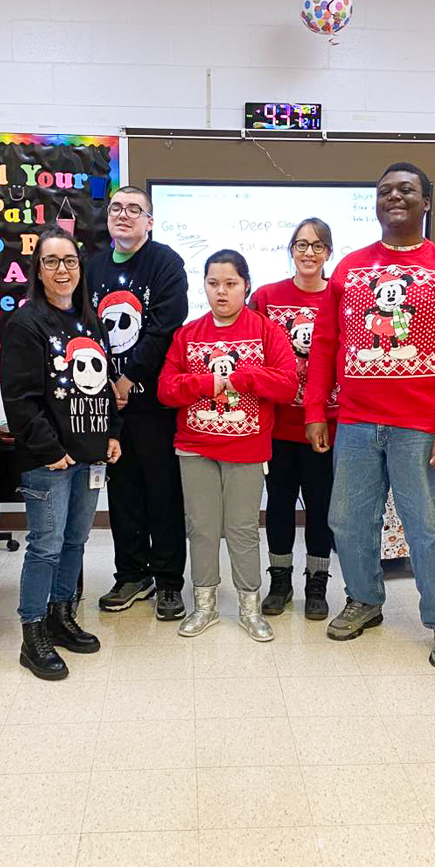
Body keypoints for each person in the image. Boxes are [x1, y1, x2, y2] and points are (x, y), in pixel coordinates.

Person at [304, 162, 435, 668]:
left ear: (426, 202)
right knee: (347, 520)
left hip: (420, 427)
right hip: (356, 423)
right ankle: (364, 600)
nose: (394, 197)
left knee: (425, 527)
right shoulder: (350, 268)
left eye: (406, 190)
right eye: (384, 191)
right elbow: (325, 345)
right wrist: (316, 410)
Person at [158, 250, 298, 640]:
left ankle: (249, 608)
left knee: (242, 529)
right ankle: (204, 606)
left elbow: (287, 385)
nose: (221, 292)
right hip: (194, 447)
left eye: (231, 284)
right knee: (201, 528)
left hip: (247, 449)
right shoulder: (187, 334)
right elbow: (166, 390)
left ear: (246, 285)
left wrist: (247, 378)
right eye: (213, 283)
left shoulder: (266, 330)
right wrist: (205, 383)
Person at [1, 228, 122, 680]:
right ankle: (32, 633)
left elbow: (104, 386)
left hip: (89, 455)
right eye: (51, 261)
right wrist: (48, 448)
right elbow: (18, 396)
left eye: (69, 260)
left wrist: (112, 431)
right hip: (50, 461)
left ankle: (60, 615)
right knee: (46, 548)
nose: (61, 269)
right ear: (38, 270)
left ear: (79, 267)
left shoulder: (89, 320)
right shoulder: (27, 322)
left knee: (75, 542)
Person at [87, 186, 189, 620]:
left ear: (150, 220)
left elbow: (166, 325)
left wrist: (128, 378)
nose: (123, 215)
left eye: (134, 209)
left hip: (152, 404)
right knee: (122, 493)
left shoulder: (165, 263)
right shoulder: (91, 267)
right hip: (103, 404)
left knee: (163, 494)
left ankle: (168, 581)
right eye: (116, 209)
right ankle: (131, 574)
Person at [249, 218, 338, 620]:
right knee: (280, 505)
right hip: (279, 426)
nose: (308, 252)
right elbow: (251, 351)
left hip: (326, 426)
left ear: (328, 253)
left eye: (317, 246)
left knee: (321, 508)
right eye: (301, 244)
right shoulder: (267, 297)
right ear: (290, 250)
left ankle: (317, 582)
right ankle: (280, 579)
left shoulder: (340, 296)